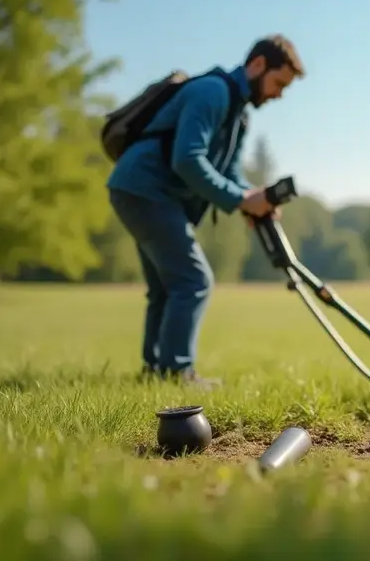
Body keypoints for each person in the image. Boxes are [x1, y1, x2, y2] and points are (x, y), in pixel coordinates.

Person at [106, 35, 305, 386]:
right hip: (145, 189)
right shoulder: (212, 92)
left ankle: (156, 371)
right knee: (192, 280)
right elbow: (188, 159)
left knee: (167, 286)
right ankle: (176, 371)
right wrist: (242, 200)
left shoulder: (238, 112)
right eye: (278, 84)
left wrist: (253, 198)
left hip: (140, 190)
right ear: (258, 65)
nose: (278, 94)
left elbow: (227, 171)